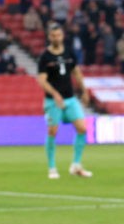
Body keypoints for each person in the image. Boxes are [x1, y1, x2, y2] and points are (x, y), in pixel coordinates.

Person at [36, 23, 92, 179]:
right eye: (53, 35)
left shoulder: (69, 53)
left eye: (58, 35)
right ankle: (52, 168)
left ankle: (76, 165)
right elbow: (42, 81)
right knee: (52, 131)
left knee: (82, 128)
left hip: (70, 98)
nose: (56, 38)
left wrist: (85, 91)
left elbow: (77, 73)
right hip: (53, 101)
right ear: (49, 37)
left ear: (62, 36)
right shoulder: (45, 57)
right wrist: (55, 94)